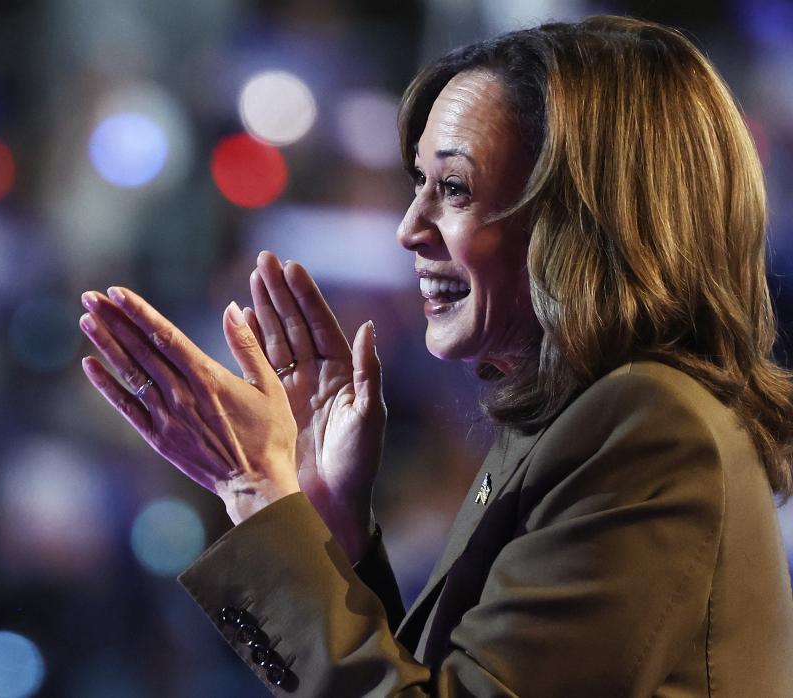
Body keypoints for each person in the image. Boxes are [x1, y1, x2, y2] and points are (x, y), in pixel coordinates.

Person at [77, 15, 793, 696]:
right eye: (417, 184)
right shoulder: (585, 417)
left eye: (452, 188)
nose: (409, 229)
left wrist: (254, 492)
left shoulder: (649, 428)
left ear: (585, 217)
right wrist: (330, 530)